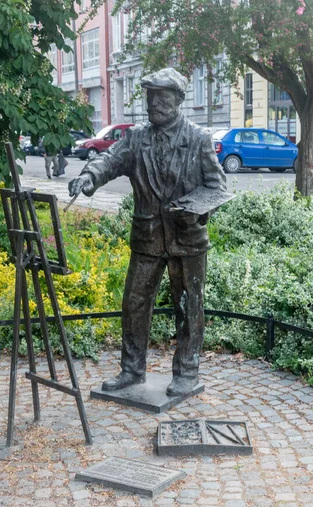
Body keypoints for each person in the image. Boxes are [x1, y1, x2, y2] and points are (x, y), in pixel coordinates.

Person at [69, 68, 227, 397]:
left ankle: (186, 371)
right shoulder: (137, 137)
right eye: (150, 97)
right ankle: (131, 369)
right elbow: (109, 160)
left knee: (189, 305)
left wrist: (196, 209)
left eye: (161, 98)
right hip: (147, 238)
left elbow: (217, 187)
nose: (153, 104)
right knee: (134, 303)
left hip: (187, 239)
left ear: (179, 101)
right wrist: (88, 177)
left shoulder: (197, 138)